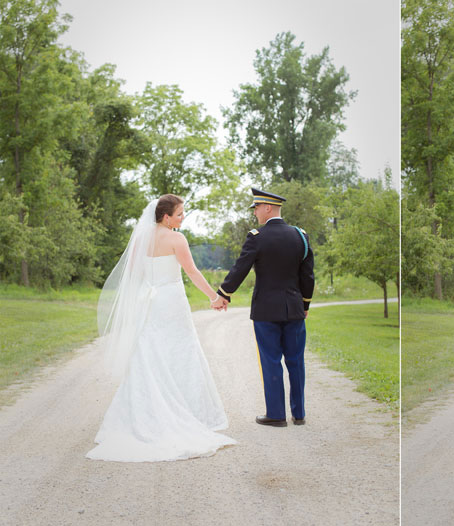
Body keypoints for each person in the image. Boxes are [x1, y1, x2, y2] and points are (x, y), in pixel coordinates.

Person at [87, 195, 235, 462]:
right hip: (171, 301)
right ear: (166, 217)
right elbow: (192, 272)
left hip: (150, 302)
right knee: (181, 351)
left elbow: (134, 275)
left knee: (149, 351)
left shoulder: (141, 239)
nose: (182, 219)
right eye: (179, 215)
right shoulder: (177, 239)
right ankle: (190, 413)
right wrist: (214, 297)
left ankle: (143, 414)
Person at [215, 188, 314, 427]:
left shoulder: (257, 237)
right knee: (295, 360)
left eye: (257, 208)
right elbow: (307, 275)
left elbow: (240, 268)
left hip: (266, 311)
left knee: (270, 360)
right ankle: (299, 414)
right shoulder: (300, 236)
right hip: (294, 309)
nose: (255, 212)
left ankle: (277, 415)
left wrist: (223, 294)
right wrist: (305, 304)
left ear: (268, 208)